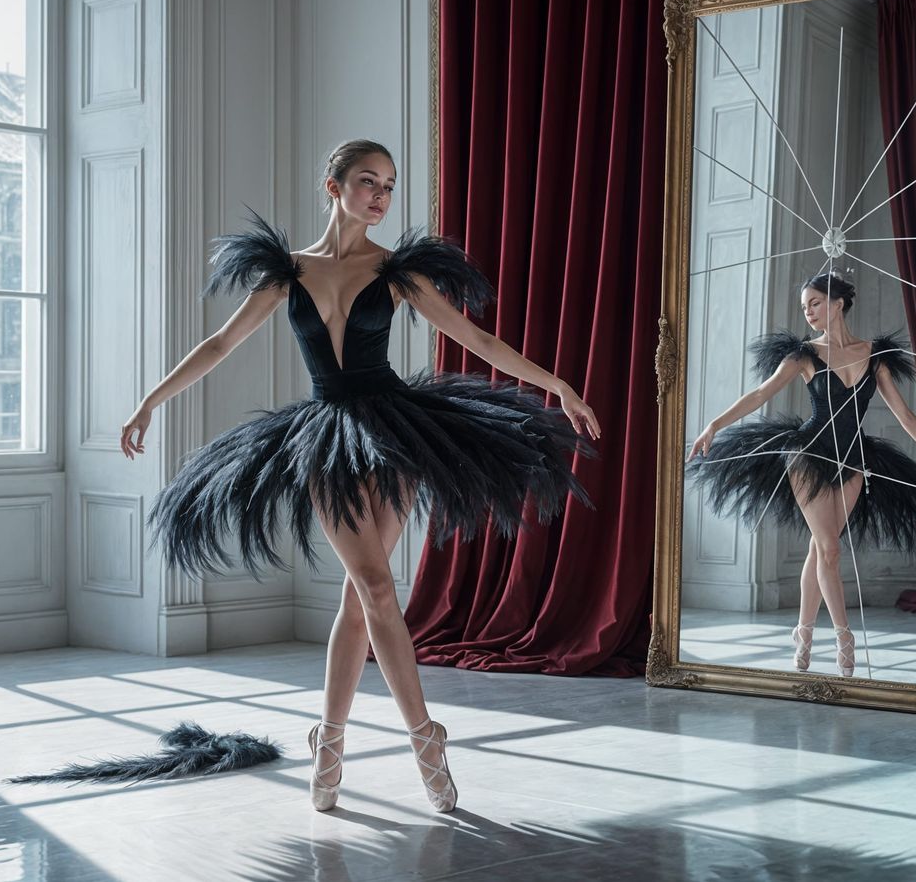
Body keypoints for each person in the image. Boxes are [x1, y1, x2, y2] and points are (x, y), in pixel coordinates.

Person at [120, 139, 600, 813]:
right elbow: (220, 343)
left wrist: (558, 386)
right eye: (368, 182)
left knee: (360, 597)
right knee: (374, 585)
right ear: (333, 186)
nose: (380, 196)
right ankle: (425, 738)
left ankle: (331, 741)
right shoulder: (288, 271)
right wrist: (150, 402)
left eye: (390, 186)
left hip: (399, 431)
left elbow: (477, 341)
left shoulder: (399, 272)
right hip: (327, 436)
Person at [685, 272, 916, 677]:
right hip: (807, 455)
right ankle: (844, 637)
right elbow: (760, 393)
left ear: (837, 303)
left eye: (814, 303)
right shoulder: (803, 355)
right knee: (830, 549)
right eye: (804, 307)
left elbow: (905, 416)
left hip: (852, 459)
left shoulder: (874, 355)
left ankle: (803, 632)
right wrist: (713, 424)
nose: (808, 312)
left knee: (820, 550)